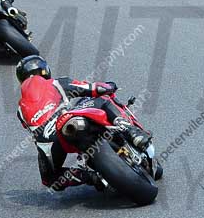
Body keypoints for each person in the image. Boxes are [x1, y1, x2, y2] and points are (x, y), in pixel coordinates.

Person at [16, 55, 152, 192]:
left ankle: (91, 177)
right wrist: (109, 87)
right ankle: (131, 131)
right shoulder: (56, 83)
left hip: (49, 143)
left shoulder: (20, 110)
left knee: (50, 179)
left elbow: (32, 130)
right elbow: (91, 88)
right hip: (67, 121)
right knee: (101, 97)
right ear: (45, 70)